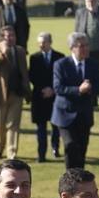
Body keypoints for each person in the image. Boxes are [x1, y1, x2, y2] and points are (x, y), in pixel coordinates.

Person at [51, 31, 99, 169]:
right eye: (81, 46)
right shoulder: (60, 64)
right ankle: (70, 179)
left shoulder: (93, 64)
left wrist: (90, 88)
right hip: (65, 114)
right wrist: (78, 90)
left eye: (87, 45)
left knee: (82, 149)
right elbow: (58, 88)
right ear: (72, 47)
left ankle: (80, 181)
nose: (85, 48)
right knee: (70, 145)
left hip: (84, 114)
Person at [0, 25, 30, 160]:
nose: (10, 39)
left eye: (12, 36)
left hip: (17, 93)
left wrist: (27, 90)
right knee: (0, 124)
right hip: (0, 93)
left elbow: (24, 72)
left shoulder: (20, 51)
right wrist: (1, 54)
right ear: (1, 38)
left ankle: (12, 153)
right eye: (7, 36)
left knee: (13, 125)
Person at [28, 32, 62, 163]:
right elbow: (32, 76)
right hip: (39, 97)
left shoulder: (59, 57)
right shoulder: (34, 58)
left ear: (50, 42)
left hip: (55, 97)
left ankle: (55, 148)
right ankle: (41, 154)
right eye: (39, 43)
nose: (41, 45)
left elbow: (60, 76)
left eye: (44, 42)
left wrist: (52, 89)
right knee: (41, 128)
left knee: (55, 125)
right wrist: (44, 88)